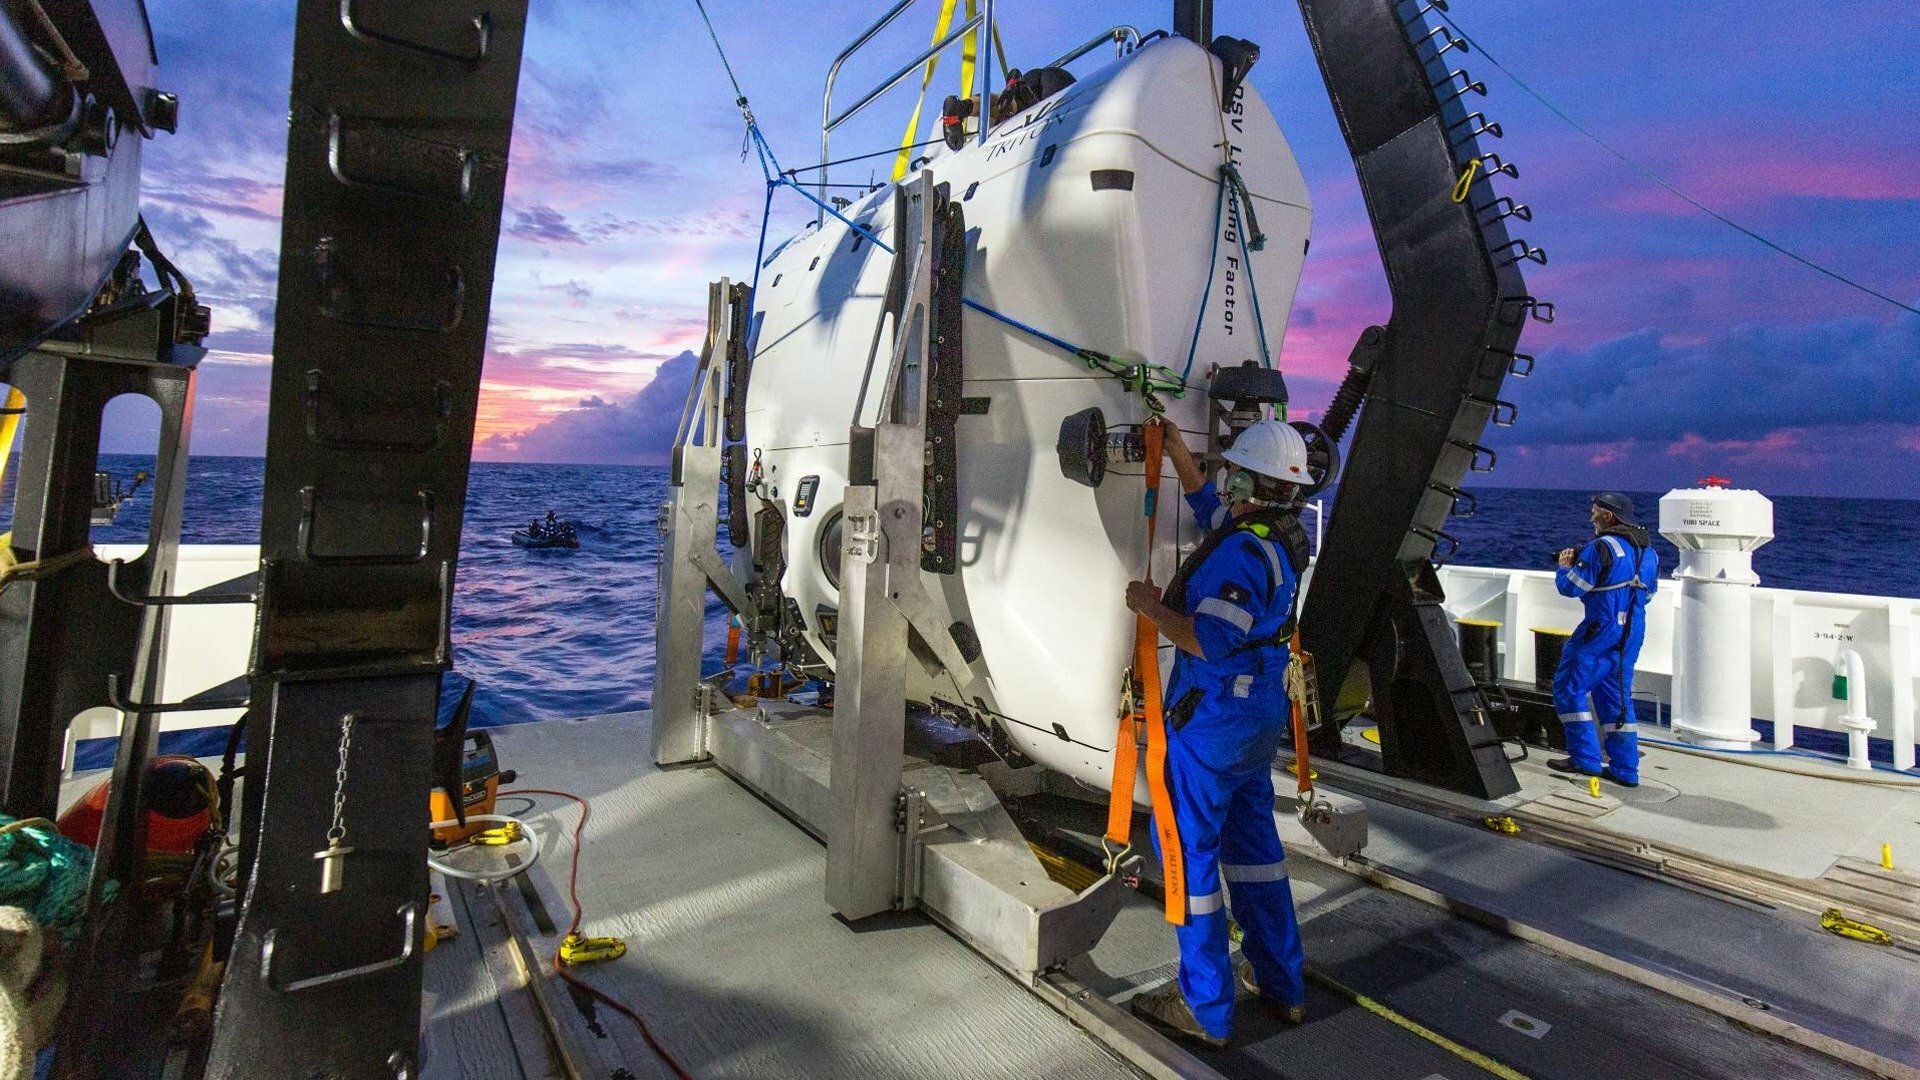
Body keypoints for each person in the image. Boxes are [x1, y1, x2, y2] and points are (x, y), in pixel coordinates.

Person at [1123, 416, 1311, 1048]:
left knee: (1191, 853)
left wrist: (1149, 606)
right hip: (1257, 720)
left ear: (1251, 481)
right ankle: (1282, 983)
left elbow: (1208, 637)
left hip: (1212, 725)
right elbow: (1211, 510)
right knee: (1256, 853)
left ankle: (1204, 1006)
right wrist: (1176, 451)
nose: (1223, 480)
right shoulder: (1278, 536)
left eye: (1232, 471)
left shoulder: (1240, 552)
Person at [1548, 492, 1659, 788]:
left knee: (1570, 688)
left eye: (1595, 512)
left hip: (1600, 629)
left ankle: (1585, 759)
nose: (1591, 517)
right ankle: (1625, 769)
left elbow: (1572, 588)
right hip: (1632, 631)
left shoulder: (1600, 548)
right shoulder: (1649, 552)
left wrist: (1564, 567)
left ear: (1609, 516)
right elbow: (1648, 594)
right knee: (1617, 698)